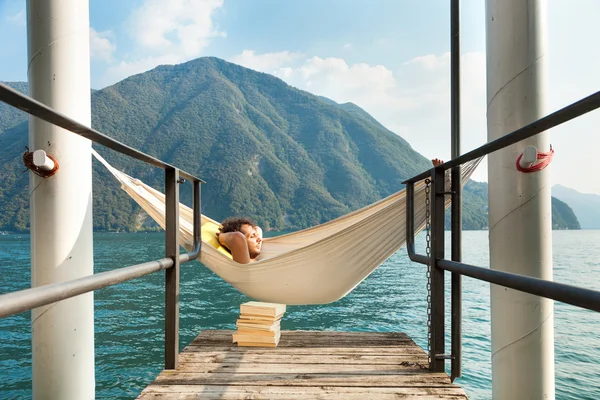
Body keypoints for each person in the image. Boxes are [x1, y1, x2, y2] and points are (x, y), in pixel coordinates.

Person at [217, 159, 442, 264]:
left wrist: (251, 232)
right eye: (251, 237)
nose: (257, 237)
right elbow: (236, 236)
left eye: (256, 236)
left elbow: (258, 229)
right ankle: (437, 186)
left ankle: (437, 186)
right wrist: (223, 234)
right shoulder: (243, 261)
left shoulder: (253, 250)